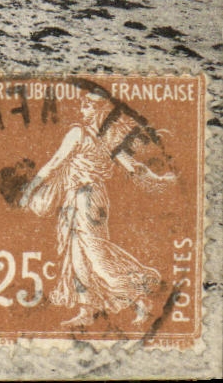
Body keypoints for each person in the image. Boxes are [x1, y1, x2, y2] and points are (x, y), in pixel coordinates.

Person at [17, 92, 176, 327]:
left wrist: (29, 190)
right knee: (77, 257)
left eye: (88, 105)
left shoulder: (78, 133)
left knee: (96, 255)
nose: (83, 109)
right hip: (83, 198)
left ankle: (139, 298)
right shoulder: (108, 139)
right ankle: (87, 310)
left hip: (85, 198)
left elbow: (54, 163)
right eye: (83, 105)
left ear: (99, 110)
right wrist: (158, 179)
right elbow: (133, 167)